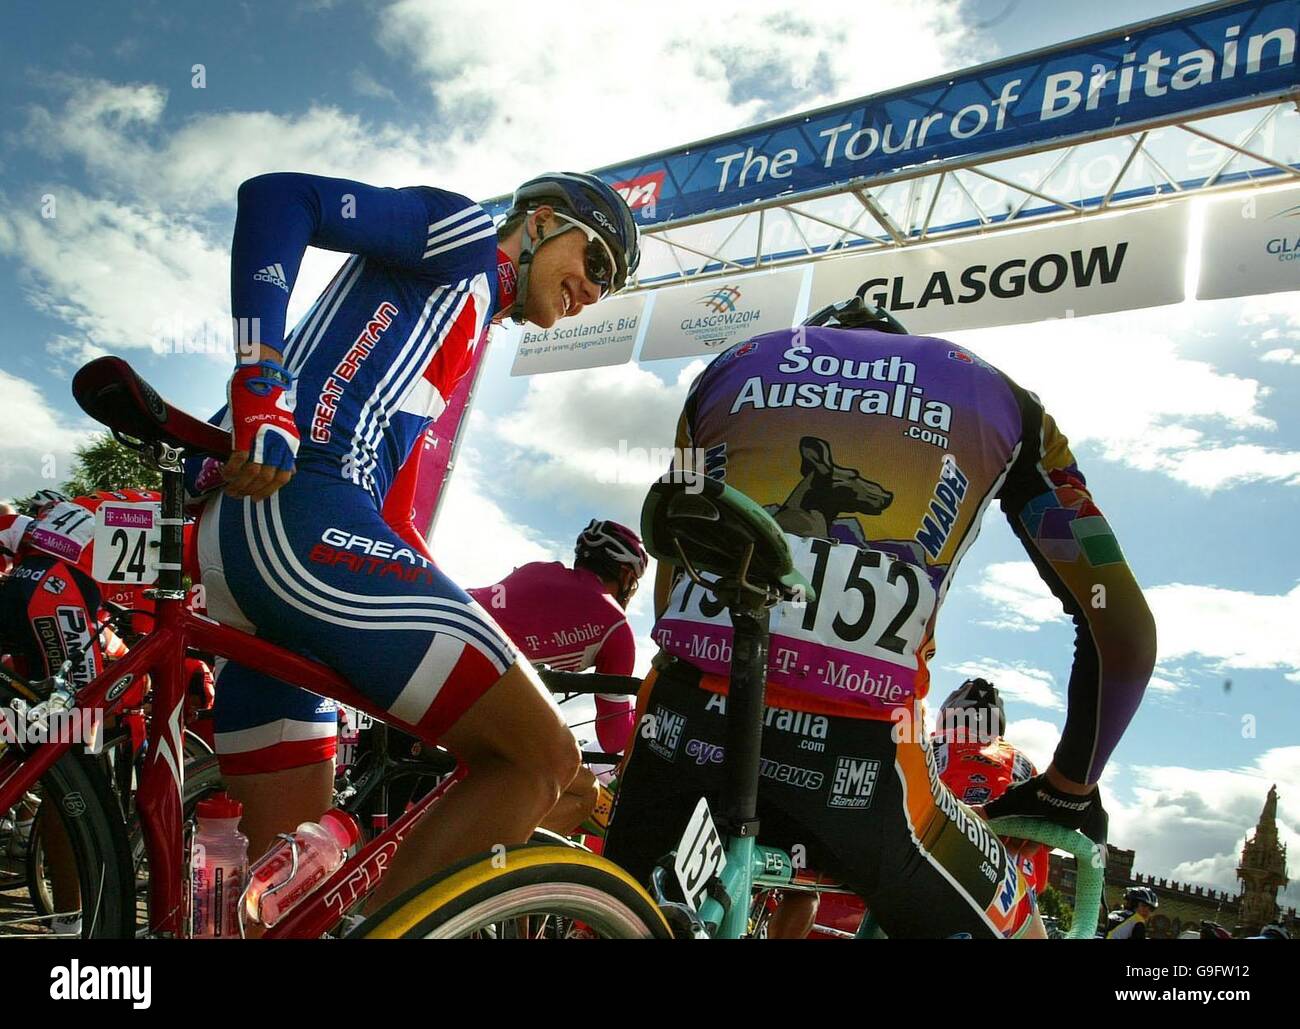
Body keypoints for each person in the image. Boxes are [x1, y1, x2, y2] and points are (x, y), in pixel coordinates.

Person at [604, 296, 1156, 938]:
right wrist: (1069, 784)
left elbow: (675, 574)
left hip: (677, 736)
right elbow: (1125, 633)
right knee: (1022, 928)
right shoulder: (1001, 401)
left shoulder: (728, 369)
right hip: (862, 778)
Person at [190, 170, 640, 907]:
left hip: (289, 542)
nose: (593, 292)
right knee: (544, 757)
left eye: (608, 287)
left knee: (280, 914)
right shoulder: (461, 235)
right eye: (596, 264)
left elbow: (394, 524)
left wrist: (483, 642)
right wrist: (260, 378)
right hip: (295, 514)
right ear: (541, 223)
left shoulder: (459, 326)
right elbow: (278, 198)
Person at [468, 519, 648, 834]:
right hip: (481, 703)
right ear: (625, 575)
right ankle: (476, 862)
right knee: (583, 791)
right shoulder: (616, 626)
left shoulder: (534, 570)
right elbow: (613, 735)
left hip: (442, 648)